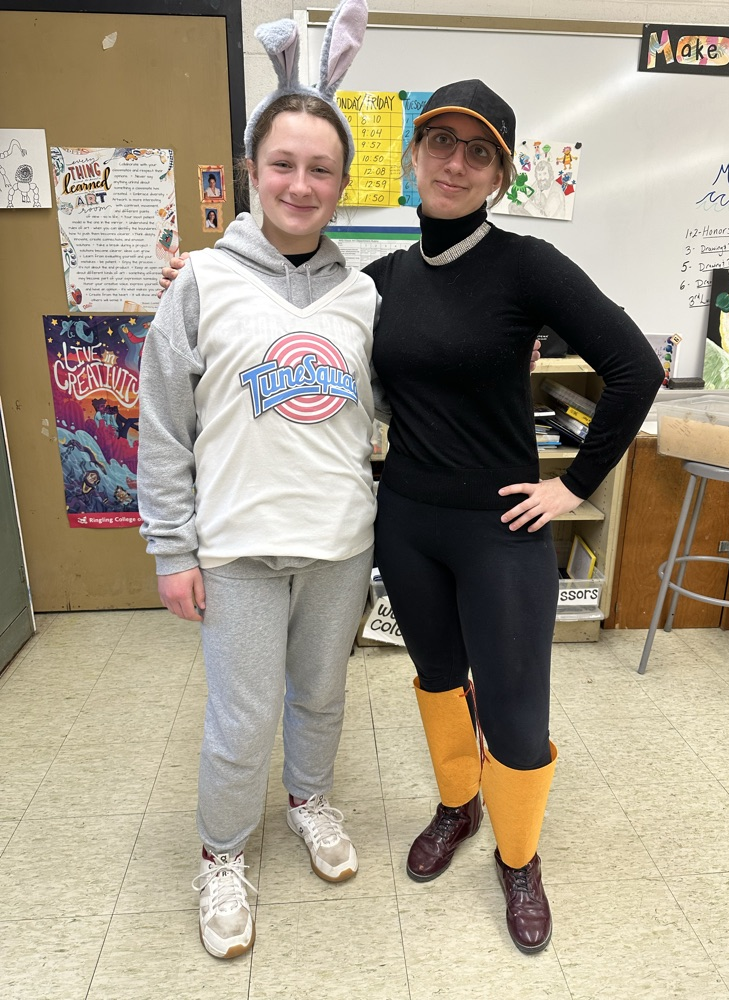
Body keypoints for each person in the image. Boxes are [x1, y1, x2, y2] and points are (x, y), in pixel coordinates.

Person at [161, 79, 642, 958]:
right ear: (414, 156)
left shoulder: (529, 265)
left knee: (516, 712)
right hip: (406, 525)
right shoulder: (376, 281)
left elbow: (634, 367)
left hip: (502, 530)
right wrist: (206, 276)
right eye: (441, 144)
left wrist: (573, 487)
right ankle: (458, 806)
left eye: (479, 152)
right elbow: (301, 322)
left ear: (500, 173)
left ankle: (519, 858)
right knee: (437, 681)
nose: (456, 164)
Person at [138, 0, 371, 960]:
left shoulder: (364, 293)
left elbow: (391, 405)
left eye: (321, 169)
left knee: (321, 696)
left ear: (343, 182)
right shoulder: (200, 283)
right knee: (241, 721)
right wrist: (170, 550)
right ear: (251, 169)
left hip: (339, 543)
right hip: (234, 548)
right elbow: (164, 426)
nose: (300, 184)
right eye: (283, 164)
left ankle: (310, 800)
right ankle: (222, 855)